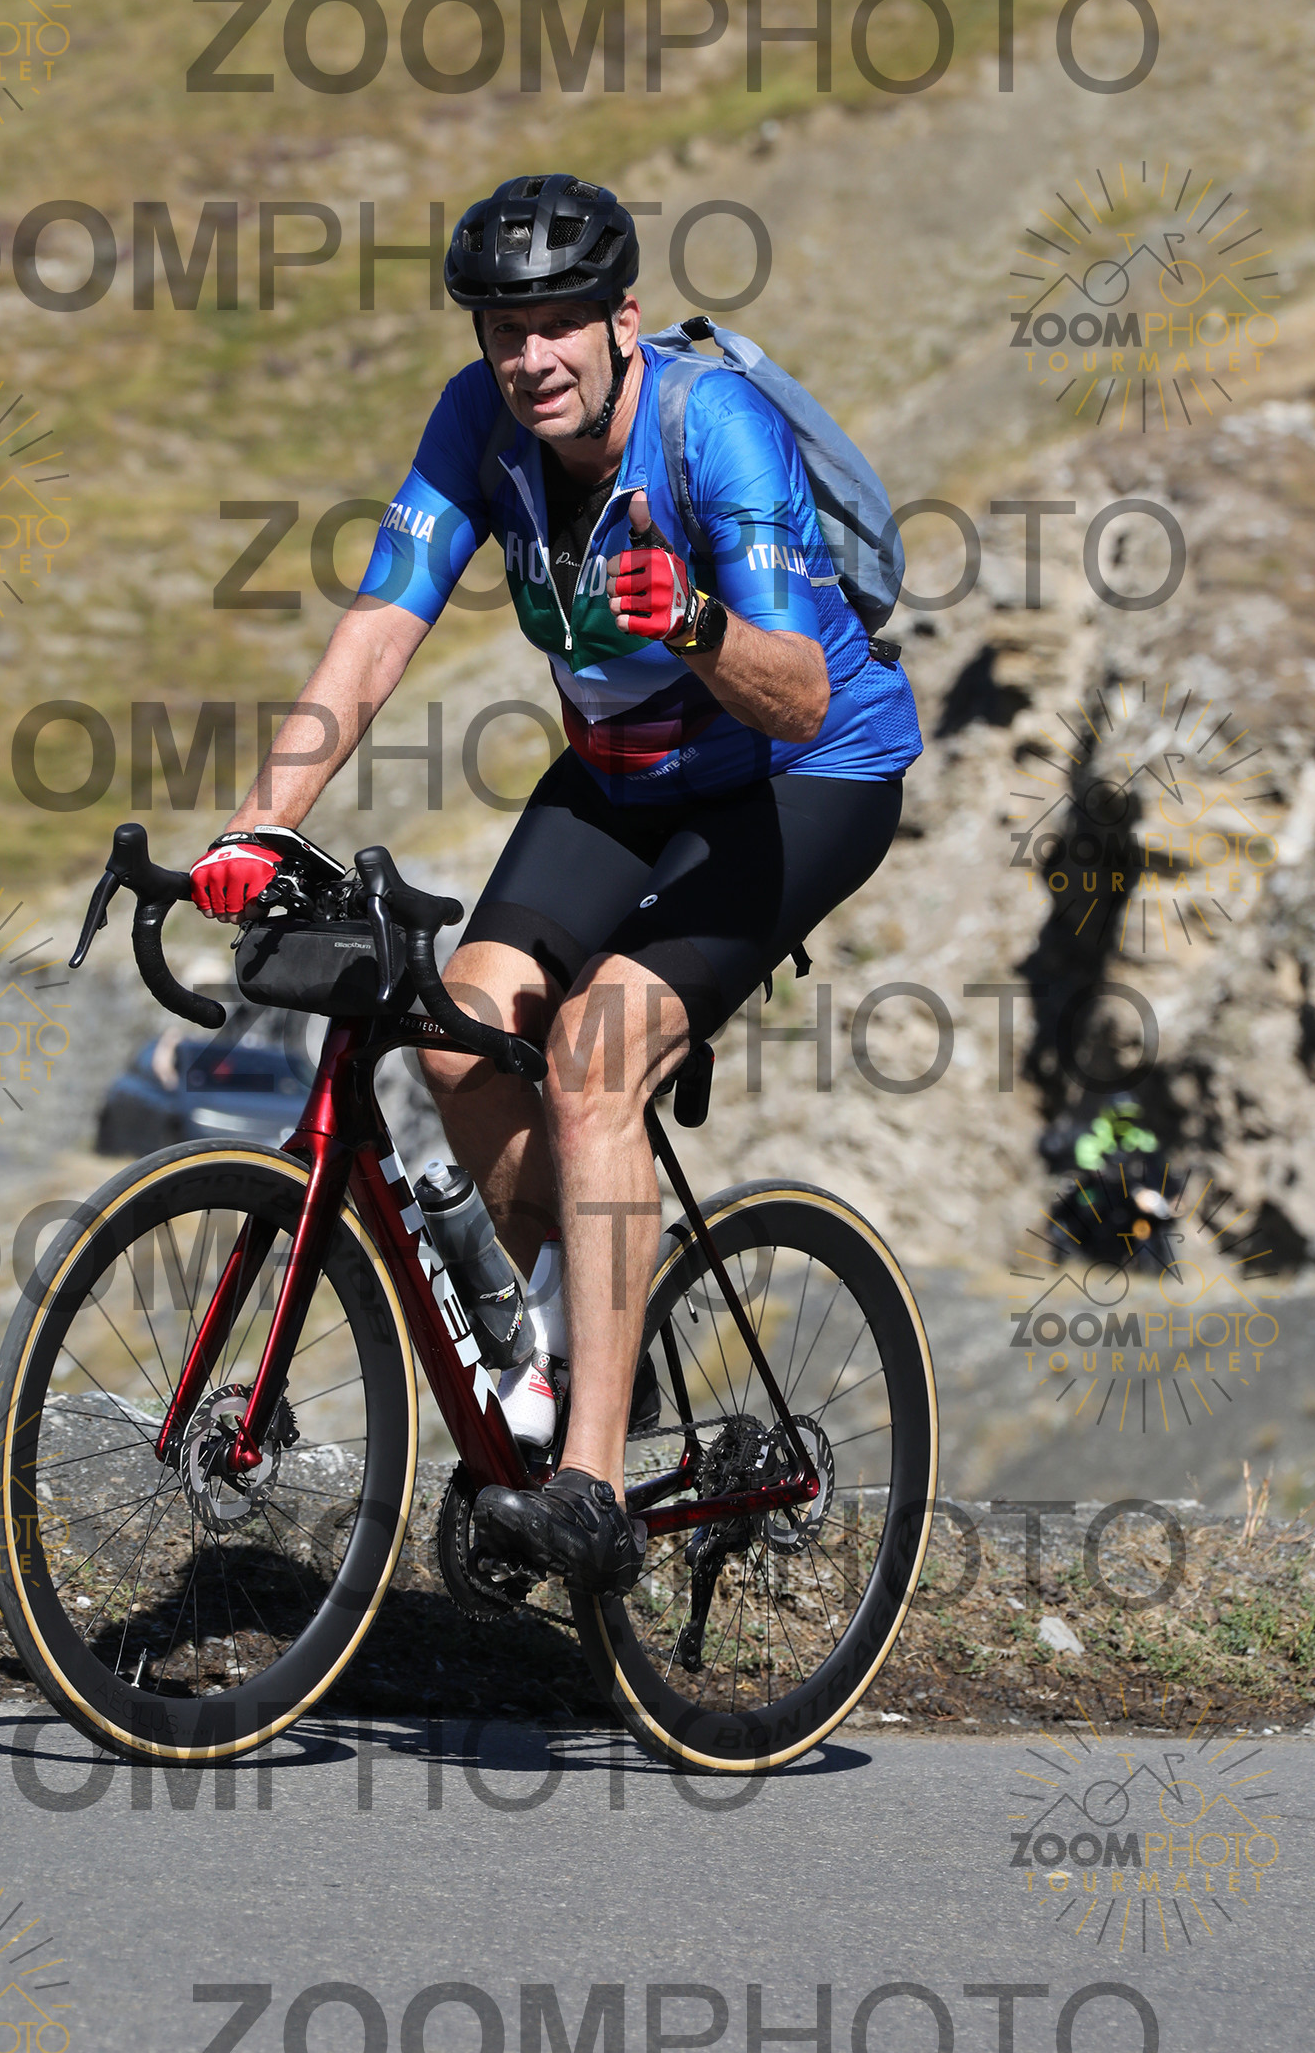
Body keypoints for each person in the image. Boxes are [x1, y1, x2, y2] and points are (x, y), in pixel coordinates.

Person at [190, 173, 922, 1591]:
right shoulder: (478, 424)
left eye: (558, 326)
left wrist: (693, 618)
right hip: (624, 775)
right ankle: (584, 1336)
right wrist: (256, 830)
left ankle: (589, 1483)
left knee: (594, 1053)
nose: (530, 358)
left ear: (621, 321)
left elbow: (800, 691)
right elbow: (379, 627)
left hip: (804, 775)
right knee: (458, 1031)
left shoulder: (714, 428)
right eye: (502, 330)